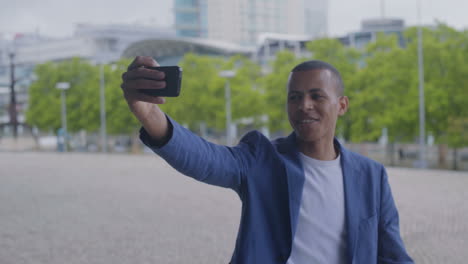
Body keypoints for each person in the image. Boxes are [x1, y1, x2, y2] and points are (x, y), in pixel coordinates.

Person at [120, 56, 414, 264]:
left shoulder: (371, 176)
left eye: (316, 96)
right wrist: (151, 116)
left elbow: (392, 255)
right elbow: (205, 159)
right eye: (294, 97)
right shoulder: (262, 159)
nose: (304, 106)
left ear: (342, 105)